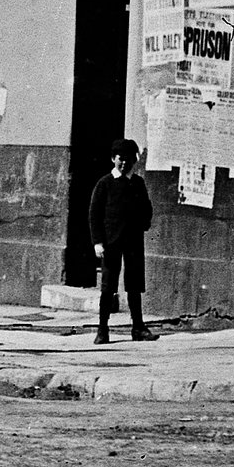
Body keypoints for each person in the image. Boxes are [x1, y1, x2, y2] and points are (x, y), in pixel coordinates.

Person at [89, 137, 156, 344]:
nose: (124, 163)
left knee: (134, 285)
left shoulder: (137, 183)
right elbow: (94, 214)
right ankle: (102, 329)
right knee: (108, 286)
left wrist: (143, 224)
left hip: (133, 241)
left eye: (128, 159)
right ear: (113, 159)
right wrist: (98, 242)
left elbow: (147, 208)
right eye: (120, 159)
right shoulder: (105, 184)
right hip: (111, 243)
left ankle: (138, 327)